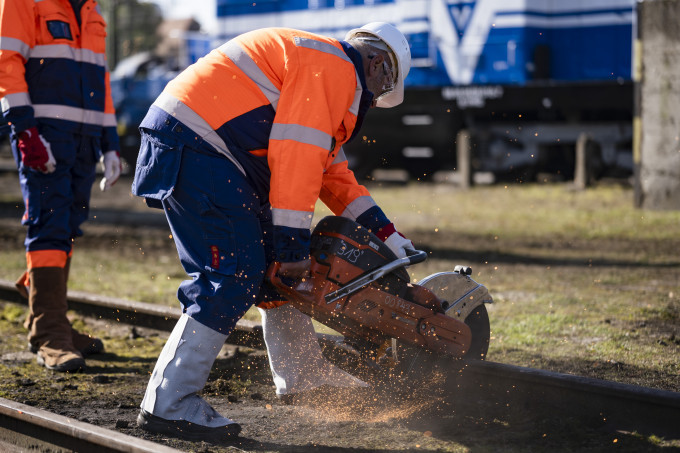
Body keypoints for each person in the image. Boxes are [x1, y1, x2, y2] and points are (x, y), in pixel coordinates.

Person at [131, 23, 414, 441]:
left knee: (270, 272)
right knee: (235, 273)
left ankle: (303, 376)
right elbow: (297, 159)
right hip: (200, 144)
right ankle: (169, 403)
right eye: (383, 84)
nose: (374, 97)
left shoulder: (323, 64)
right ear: (376, 63)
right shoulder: (333, 69)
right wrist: (292, 244)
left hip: (202, 143)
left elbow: (330, 174)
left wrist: (388, 234)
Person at [0, 0, 121, 372]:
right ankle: (50, 334)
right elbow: (5, 62)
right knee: (49, 227)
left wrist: (109, 141)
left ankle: (49, 317)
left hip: (83, 139)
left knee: (67, 229)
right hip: (45, 133)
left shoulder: (93, 12)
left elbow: (101, 78)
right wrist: (25, 131)